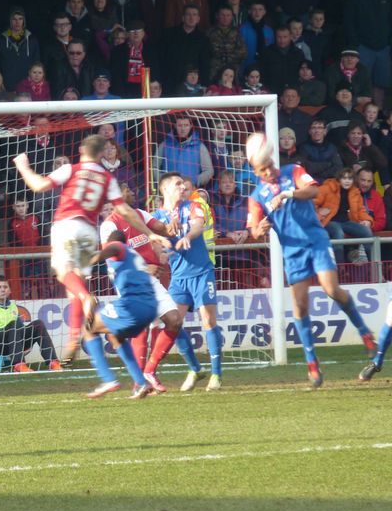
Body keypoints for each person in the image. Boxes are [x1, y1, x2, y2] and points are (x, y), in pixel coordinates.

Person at [13, 134, 171, 361]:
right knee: (74, 286)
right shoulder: (107, 178)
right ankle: (73, 339)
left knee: (64, 274)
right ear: (100, 155)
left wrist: (23, 167)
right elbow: (125, 211)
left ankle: (87, 299)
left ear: (80, 149)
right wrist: (150, 233)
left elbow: (39, 186)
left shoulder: (71, 169)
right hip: (89, 229)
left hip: (66, 224)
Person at [246, 134, 376, 388]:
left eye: (270, 166)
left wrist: (287, 194)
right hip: (293, 251)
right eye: (263, 170)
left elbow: (313, 190)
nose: (270, 172)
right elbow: (253, 228)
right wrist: (259, 229)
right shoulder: (256, 196)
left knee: (331, 289)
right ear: (256, 171)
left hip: (315, 240)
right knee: (300, 307)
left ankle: (365, 333)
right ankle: (312, 363)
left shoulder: (292, 171)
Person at [99, 186, 183, 393]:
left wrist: (171, 226)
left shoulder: (140, 214)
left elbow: (162, 229)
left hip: (152, 280)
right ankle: (139, 383)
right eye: (127, 189)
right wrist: (144, 268)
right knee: (140, 329)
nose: (132, 191)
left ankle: (149, 371)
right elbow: (113, 258)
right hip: (131, 283)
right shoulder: (110, 225)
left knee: (174, 320)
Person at [152, 172, 222, 392]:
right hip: (179, 277)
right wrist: (160, 253)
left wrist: (187, 237)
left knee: (208, 320)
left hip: (201, 271)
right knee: (173, 322)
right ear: (164, 189)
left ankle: (216, 375)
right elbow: (154, 240)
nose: (182, 187)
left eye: (183, 183)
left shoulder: (192, 206)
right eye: (177, 184)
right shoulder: (157, 216)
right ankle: (195, 368)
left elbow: (198, 226)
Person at [82, 231, 157, 399]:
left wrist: (89, 259)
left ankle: (108, 379)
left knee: (88, 328)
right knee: (116, 336)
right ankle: (141, 383)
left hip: (133, 305)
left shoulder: (118, 246)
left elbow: (111, 250)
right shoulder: (132, 254)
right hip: (150, 307)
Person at [0, 276, 62, 373]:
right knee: (13, 324)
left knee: (38, 324)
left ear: (9, 291)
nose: (2, 290)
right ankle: (18, 364)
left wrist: (27, 341)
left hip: (14, 343)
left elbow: (21, 328)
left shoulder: (13, 307)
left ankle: (53, 362)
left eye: (5, 287)